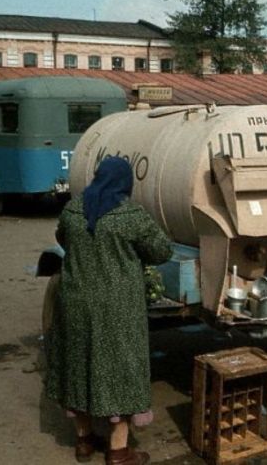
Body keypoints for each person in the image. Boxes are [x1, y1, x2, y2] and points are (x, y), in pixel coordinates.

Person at [44, 156, 172, 464]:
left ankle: (84, 441)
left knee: (80, 365)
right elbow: (162, 251)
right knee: (121, 371)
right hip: (118, 309)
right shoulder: (130, 215)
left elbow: (62, 237)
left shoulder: (73, 210)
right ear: (125, 182)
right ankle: (118, 451)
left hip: (75, 303)